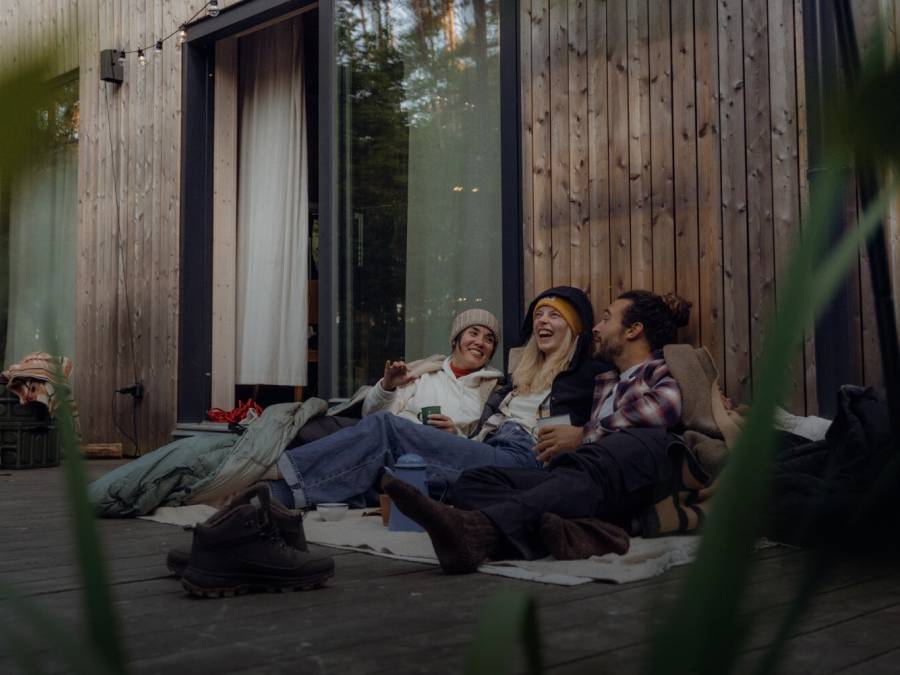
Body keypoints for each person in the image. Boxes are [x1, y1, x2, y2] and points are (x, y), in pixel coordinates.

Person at [383, 289, 693, 573]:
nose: (596, 328)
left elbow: (665, 408)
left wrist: (583, 435)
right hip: (575, 477)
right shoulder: (606, 382)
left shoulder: (659, 370)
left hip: (621, 474)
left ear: (634, 329)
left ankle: (479, 531)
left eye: (606, 318)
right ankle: (573, 528)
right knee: (472, 482)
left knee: (623, 447)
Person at [265, 286, 610, 509]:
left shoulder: (587, 374)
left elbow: (618, 421)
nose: (543, 321)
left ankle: (271, 471)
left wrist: (583, 436)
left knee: (387, 431)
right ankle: (270, 497)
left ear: (575, 327)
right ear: (455, 339)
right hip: (490, 449)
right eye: (538, 314)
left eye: (555, 315)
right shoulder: (518, 379)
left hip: (524, 458)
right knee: (390, 468)